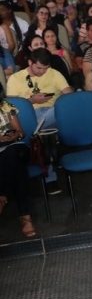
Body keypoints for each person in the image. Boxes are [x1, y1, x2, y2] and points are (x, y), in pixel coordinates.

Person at [7, 48, 73, 129]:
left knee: (64, 110)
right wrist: (32, 100)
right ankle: (36, 127)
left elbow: (70, 97)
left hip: (52, 111)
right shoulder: (15, 78)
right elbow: (10, 108)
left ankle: (36, 128)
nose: (42, 71)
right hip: (30, 113)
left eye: (45, 68)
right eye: (39, 68)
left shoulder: (54, 73)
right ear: (30, 62)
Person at [0, 98, 37, 238]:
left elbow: (22, 132)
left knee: (13, 154)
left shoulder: (5, 106)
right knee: (15, 166)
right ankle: (25, 217)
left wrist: (16, 134)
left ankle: (2, 197)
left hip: (15, 147)